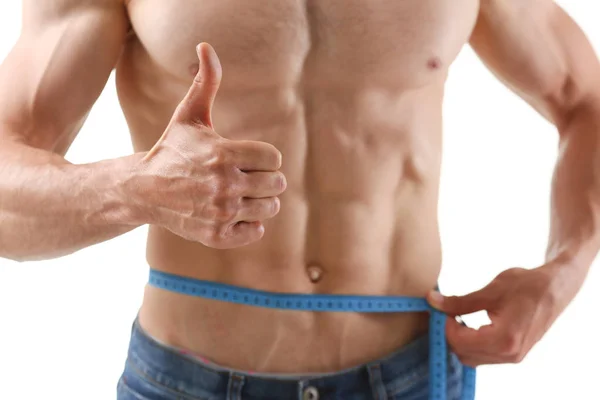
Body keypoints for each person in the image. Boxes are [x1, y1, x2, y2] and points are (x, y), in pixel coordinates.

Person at [1, 0, 599, 399]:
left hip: (412, 375)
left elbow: (586, 101)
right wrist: (136, 188)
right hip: (188, 381)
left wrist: (567, 267)